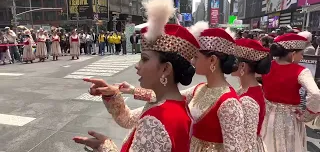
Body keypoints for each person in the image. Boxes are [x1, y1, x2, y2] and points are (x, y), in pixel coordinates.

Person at [88, 22, 246, 151]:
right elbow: (158, 99)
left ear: (212, 61)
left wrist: (106, 146)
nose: (192, 61)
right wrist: (118, 93)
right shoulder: (199, 89)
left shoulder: (229, 102)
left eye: (196, 56)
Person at [74, 0, 198, 151]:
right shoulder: (174, 103)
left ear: (166, 69)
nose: (137, 66)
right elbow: (128, 119)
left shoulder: (157, 119)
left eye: (144, 59)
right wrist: (112, 94)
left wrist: (104, 146)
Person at [262, 33, 320, 152]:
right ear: (293, 54)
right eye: (301, 54)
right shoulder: (301, 71)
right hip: (289, 119)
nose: (302, 57)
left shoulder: (267, 66)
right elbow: (315, 94)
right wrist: (307, 116)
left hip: (266, 117)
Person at [232, 38, 271, 151]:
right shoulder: (249, 88)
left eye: (233, 61)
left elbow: (247, 143)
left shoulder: (248, 101)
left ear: (242, 66)